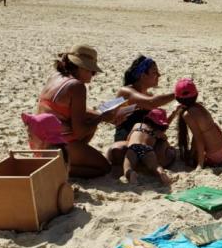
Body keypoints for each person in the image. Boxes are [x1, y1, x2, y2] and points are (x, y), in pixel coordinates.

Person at [34, 45, 113, 178]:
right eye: (91, 71)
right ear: (80, 67)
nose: (93, 75)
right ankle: (61, 168)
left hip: (39, 139)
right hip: (57, 143)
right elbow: (80, 131)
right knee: (104, 168)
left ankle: (66, 159)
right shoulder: (77, 86)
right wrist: (101, 118)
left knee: (90, 120)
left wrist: (98, 115)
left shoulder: (56, 76)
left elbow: (65, 108)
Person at [106, 55, 176, 170]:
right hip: (127, 139)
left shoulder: (148, 95)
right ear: (143, 75)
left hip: (145, 140)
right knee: (118, 150)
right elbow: (151, 103)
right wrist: (177, 93)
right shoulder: (126, 92)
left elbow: (157, 121)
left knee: (161, 152)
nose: (159, 75)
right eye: (155, 72)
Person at [172, 78, 222, 168]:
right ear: (196, 94)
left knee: (191, 158)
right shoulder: (199, 106)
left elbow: (199, 139)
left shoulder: (187, 115)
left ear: (177, 98)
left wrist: (200, 164)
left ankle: (211, 160)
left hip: (215, 155)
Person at [123, 108, 174, 186]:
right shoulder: (158, 132)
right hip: (147, 149)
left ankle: (131, 174)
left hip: (133, 147)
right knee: (155, 166)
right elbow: (165, 139)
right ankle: (161, 173)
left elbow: (128, 138)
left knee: (128, 167)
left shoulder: (137, 125)